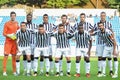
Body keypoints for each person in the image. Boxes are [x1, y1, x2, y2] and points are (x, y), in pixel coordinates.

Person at [93, 12, 114, 77]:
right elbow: (93, 31)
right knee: (100, 57)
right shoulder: (96, 24)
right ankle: (99, 71)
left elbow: (112, 32)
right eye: (101, 16)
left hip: (107, 43)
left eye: (104, 16)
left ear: (105, 16)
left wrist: (113, 39)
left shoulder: (109, 23)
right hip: (99, 43)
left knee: (109, 57)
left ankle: (111, 71)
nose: (102, 17)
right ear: (100, 16)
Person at [3, 11, 19, 76]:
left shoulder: (17, 23)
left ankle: (14, 71)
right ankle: (4, 71)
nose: (13, 17)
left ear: (15, 16)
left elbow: (18, 31)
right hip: (8, 43)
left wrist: (15, 36)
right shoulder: (6, 23)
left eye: (14, 16)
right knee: (6, 56)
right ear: (10, 16)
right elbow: (4, 33)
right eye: (12, 16)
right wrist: (10, 35)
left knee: (14, 57)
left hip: (14, 43)